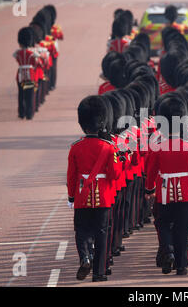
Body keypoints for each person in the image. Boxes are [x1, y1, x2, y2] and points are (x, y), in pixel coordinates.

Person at [67, 95, 121, 282]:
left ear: (83, 123)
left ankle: (85, 257)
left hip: (82, 195)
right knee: (101, 233)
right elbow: (115, 174)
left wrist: (71, 197)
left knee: (81, 230)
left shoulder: (76, 147)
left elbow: (71, 176)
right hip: (103, 196)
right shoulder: (108, 147)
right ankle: (98, 272)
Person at [145, 95, 188, 276]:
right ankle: (182, 266)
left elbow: (151, 172)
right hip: (185, 192)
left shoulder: (157, 147)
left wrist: (149, 189)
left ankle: (168, 252)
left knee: (163, 224)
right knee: (183, 229)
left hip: (164, 191)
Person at [13, 27, 40, 120]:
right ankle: (29, 113)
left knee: (21, 95)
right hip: (30, 75)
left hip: (20, 75)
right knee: (29, 95)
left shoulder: (18, 53)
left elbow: (15, 58)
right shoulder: (31, 53)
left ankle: (21, 113)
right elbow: (36, 62)